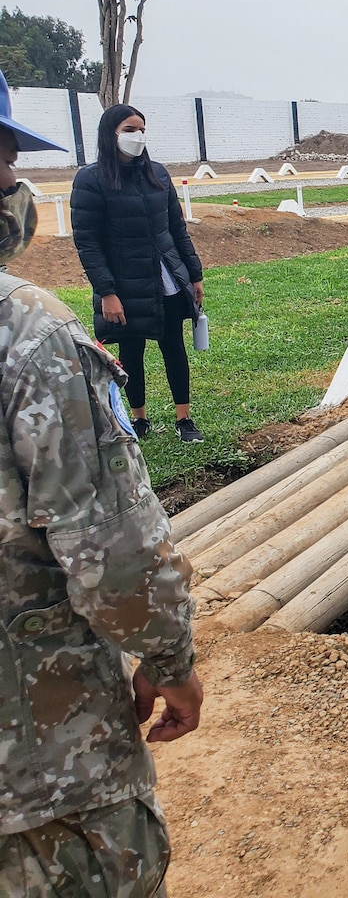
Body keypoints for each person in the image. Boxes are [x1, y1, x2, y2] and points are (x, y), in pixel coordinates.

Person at [1, 71, 202, 897]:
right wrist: (169, 656)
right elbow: (111, 547)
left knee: (170, 353)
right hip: (42, 771)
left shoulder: (155, 182)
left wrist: (185, 273)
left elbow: (175, 230)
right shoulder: (29, 337)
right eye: (8, 157)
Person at [72, 105, 207, 443]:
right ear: (110, 134)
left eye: (141, 129)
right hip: (124, 283)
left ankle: (184, 419)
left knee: (173, 346)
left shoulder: (158, 174)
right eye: (130, 130)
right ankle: (138, 418)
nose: (138, 137)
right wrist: (107, 292)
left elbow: (177, 229)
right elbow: (88, 243)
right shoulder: (91, 180)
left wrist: (194, 274)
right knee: (130, 352)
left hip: (166, 278)